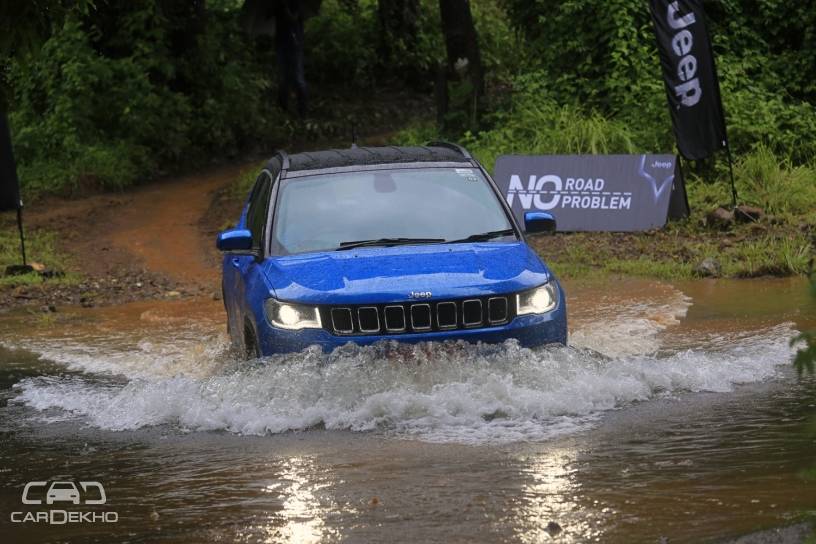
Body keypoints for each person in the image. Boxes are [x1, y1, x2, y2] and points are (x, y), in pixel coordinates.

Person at [274, 0, 307, 117]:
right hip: (281, 44)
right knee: (283, 78)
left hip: (295, 44)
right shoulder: (278, 4)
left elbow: (294, 19)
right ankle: (282, 108)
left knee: (298, 79)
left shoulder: (298, 3)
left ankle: (302, 112)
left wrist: (285, 7)